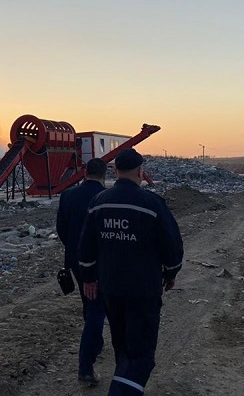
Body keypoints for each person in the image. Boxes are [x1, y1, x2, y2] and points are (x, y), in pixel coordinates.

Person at [78, 148, 184, 396]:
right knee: (142, 356)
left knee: (123, 346)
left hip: (111, 290)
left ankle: (124, 381)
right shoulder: (151, 204)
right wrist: (171, 273)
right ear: (140, 171)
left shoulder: (99, 203)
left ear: (115, 171)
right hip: (143, 290)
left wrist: (90, 276)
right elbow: (172, 244)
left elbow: (86, 246)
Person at [56, 158, 108, 386]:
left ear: (85, 172)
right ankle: (86, 367)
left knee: (89, 303)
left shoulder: (68, 196)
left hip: (76, 262)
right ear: (104, 174)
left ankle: (96, 342)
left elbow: (61, 229)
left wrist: (75, 248)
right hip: (101, 263)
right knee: (97, 310)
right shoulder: (107, 198)